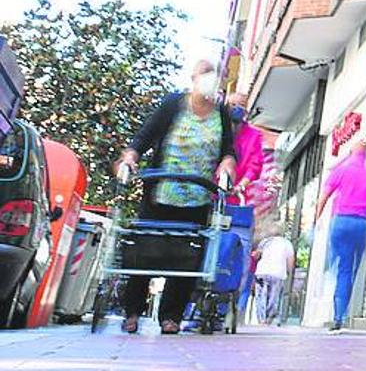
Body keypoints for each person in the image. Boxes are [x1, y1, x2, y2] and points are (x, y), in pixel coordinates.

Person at [118, 59, 237, 335]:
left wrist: (228, 163)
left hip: (198, 195)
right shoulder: (174, 104)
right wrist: (131, 156)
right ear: (193, 77)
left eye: (215, 76)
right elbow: (145, 136)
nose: (210, 80)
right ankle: (132, 311)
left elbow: (228, 149)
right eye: (205, 74)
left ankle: (171, 316)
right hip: (161, 192)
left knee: (186, 258)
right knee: (146, 253)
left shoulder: (221, 113)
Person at [315, 135, 366, 331]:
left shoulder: (340, 171)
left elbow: (324, 196)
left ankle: (330, 303)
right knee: (349, 270)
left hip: (340, 222)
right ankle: (339, 315)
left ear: (351, 153)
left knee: (338, 265)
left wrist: (317, 220)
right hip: (360, 223)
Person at [227, 92, 264, 318]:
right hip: (212, 198)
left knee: (239, 254)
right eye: (233, 105)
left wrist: (242, 183)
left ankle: (227, 306)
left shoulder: (253, 135)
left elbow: (255, 165)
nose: (237, 109)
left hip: (239, 203)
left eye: (241, 106)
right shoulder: (219, 129)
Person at [254, 222, 295, 326]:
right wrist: (289, 272)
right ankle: (269, 318)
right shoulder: (287, 243)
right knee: (274, 296)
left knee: (261, 296)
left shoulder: (265, 242)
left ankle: (261, 319)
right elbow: (290, 260)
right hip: (278, 273)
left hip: (262, 271)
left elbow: (257, 255)